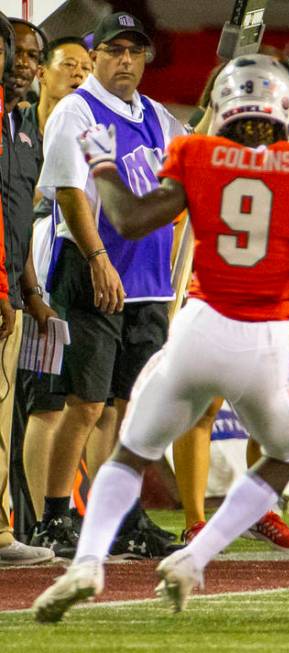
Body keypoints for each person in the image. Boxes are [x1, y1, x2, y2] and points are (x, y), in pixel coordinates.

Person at [32, 52, 289, 623]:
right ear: (286, 110)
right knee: (288, 451)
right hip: (267, 341)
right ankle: (197, 555)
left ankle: (88, 561)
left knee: (130, 451)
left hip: (201, 329)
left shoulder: (197, 153)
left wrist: (100, 165)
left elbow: (130, 219)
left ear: (223, 109)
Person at [29, 12, 189, 558]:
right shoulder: (77, 108)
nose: (125, 60)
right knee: (85, 403)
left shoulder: (158, 116)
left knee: (124, 408)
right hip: (92, 268)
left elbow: (193, 159)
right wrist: (97, 257)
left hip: (147, 280)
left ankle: (118, 514)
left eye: (135, 52)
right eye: (115, 50)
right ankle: (54, 515)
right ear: (95, 56)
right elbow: (70, 192)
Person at [17, 36, 91, 527]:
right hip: (28, 265)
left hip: (62, 270)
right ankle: (31, 517)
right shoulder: (16, 128)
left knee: (59, 395)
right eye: (69, 65)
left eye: (87, 67)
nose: (80, 75)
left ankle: (47, 514)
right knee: (37, 397)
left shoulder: (91, 130)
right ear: (43, 73)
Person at [0, 10, 45, 566]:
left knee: (3, 415)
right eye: (20, 53)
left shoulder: (23, 125)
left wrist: (29, 290)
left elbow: (16, 219)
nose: (25, 65)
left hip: (12, 288)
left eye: (33, 55)